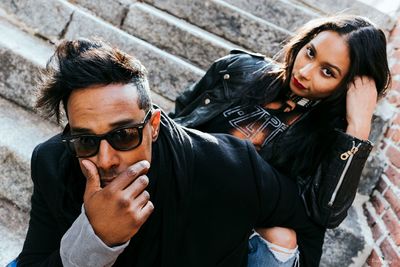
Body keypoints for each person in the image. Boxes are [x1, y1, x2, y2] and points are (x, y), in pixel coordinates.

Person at [15, 38, 314, 267]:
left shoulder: (229, 166)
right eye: (85, 140)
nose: (105, 160)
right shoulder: (54, 161)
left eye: (124, 135)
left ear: (154, 124)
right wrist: (94, 239)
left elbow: (308, 224)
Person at [170, 15, 391, 266]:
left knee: (281, 237)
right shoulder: (238, 69)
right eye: (310, 53)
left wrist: (359, 128)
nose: (305, 72)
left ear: (347, 86)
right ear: (304, 42)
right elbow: (181, 117)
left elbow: (325, 213)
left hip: (234, 228)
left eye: (327, 72)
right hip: (181, 189)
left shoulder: (331, 137)